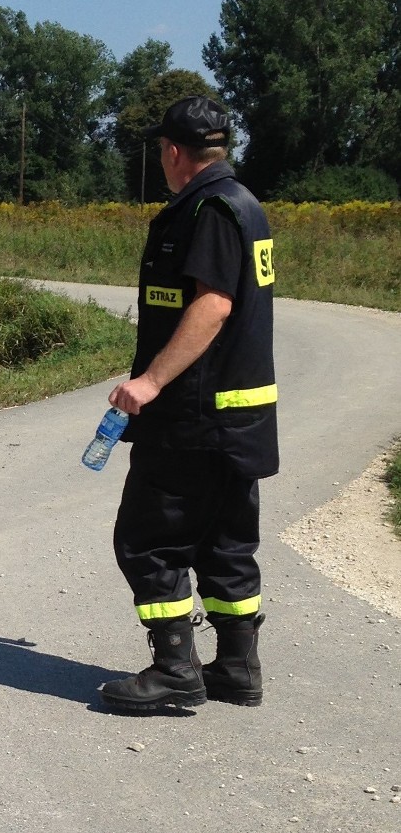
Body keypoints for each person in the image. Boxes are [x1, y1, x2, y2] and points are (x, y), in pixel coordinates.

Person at [100, 96, 278, 712]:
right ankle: (236, 666)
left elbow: (213, 305)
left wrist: (150, 381)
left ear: (174, 152)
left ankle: (176, 667)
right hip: (239, 414)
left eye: (160, 150)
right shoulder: (245, 205)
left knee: (149, 539)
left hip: (193, 414)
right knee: (226, 539)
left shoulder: (207, 210)